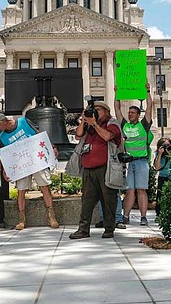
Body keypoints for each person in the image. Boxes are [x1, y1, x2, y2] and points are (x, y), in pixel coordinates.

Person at [0, 112, 59, 230]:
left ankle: (51, 216)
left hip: (36, 159)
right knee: (21, 190)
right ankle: (21, 219)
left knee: (44, 186)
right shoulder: (2, 136)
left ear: (4, 122)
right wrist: (5, 170)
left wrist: (52, 147)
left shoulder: (24, 122)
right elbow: (4, 154)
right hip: (21, 166)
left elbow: (39, 135)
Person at [69, 100, 122, 239]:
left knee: (108, 199)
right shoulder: (90, 125)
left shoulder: (112, 123)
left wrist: (95, 124)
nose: (96, 112)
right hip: (88, 168)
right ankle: (83, 230)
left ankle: (109, 229)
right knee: (87, 200)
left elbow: (107, 136)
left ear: (106, 112)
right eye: (94, 109)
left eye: (99, 110)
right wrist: (84, 120)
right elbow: (78, 135)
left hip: (106, 167)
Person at [115, 83, 154, 226]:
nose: (130, 114)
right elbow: (117, 109)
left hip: (142, 161)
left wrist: (148, 91)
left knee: (141, 189)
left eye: (133, 113)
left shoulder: (144, 124)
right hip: (129, 162)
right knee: (129, 190)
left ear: (138, 115)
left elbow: (150, 107)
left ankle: (143, 217)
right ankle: (126, 216)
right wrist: (117, 93)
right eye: (129, 112)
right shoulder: (124, 125)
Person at [153, 137, 171, 220]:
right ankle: (159, 214)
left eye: (168, 145)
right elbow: (157, 168)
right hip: (162, 177)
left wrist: (170, 154)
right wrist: (160, 154)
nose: (167, 147)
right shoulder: (158, 154)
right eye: (165, 145)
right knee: (160, 196)